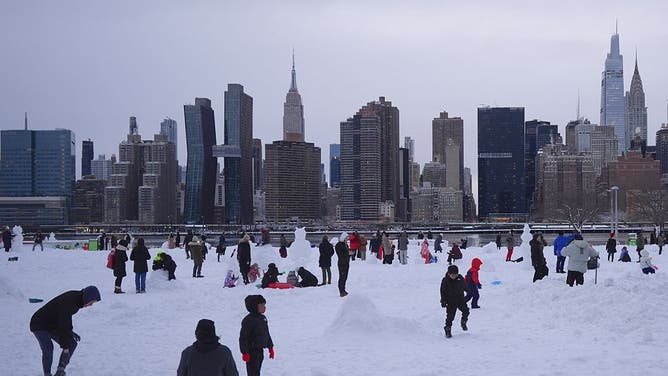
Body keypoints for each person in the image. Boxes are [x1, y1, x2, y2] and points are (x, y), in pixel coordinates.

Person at [30, 286, 101, 376]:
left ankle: (60, 370)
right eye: (91, 302)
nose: (91, 305)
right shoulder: (70, 301)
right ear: (87, 297)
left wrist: (70, 333)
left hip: (52, 325)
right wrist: (65, 347)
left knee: (72, 343)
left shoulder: (76, 300)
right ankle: (47, 374)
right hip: (39, 323)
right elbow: (63, 325)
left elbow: (66, 320)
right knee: (48, 348)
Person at [239, 295, 274, 376]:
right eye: (262, 305)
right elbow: (243, 338)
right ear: (254, 307)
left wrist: (270, 347)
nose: (264, 307)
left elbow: (266, 333)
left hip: (260, 350)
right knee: (252, 372)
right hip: (251, 352)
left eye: (264, 305)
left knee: (257, 370)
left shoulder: (263, 318)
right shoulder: (248, 320)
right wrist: (245, 352)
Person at [440, 265, 470, 339]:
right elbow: (442, 291)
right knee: (450, 317)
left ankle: (463, 322)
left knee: (466, 311)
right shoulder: (445, 280)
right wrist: (443, 301)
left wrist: (468, 291)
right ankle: (448, 329)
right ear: (449, 274)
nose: (454, 276)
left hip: (460, 299)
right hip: (450, 301)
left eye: (455, 275)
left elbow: (464, 286)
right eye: (452, 275)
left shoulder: (460, 278)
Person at [335, 232, 350, 297]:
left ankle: (343, 290)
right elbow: (340, 255)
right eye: (346, 238)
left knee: (345, 277)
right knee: (342, 277)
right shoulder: (339, 245)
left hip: (346, 263)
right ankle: (341, 291)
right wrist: (348, 254)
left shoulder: (345, 244)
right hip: (342, 263)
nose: (347, 239)